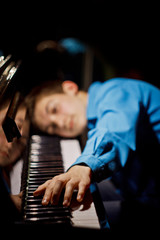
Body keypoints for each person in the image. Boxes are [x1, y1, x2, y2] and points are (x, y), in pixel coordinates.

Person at [27, 77, 160, 229]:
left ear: (70, 88)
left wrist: (83, 166)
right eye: (52, 127)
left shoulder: (114, 91)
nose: (60, 122)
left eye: (54, 109)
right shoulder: (93, 123)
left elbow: (114, 131)